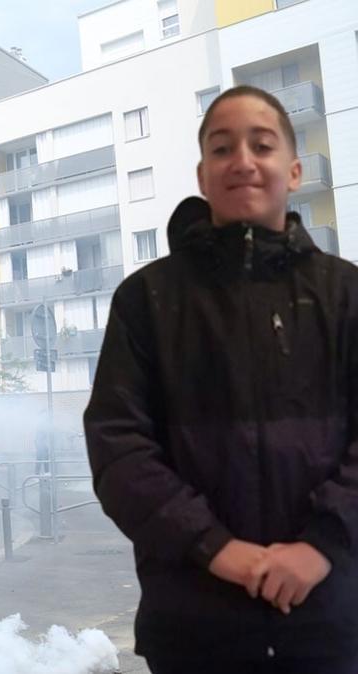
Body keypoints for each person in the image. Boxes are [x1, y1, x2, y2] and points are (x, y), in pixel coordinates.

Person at [85, 85, 358, 673]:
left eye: (261, 144)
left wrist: (321, 546)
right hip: (192, 631)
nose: (242, 160)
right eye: (221, 147)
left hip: (332, 624)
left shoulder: (347, 295)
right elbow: (119, 451)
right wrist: (214, 548)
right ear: (203, 175)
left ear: (293, 168)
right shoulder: (146, 301)